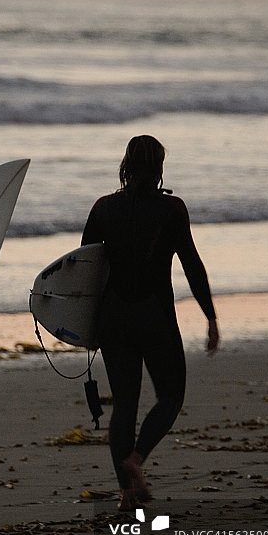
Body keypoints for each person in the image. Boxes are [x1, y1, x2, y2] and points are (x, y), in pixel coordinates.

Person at [81, 135, 219, 511]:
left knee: (125, 403)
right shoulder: (172, 210)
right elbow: (191, 263)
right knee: (171, 397)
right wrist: (210, 316)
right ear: (159, 167)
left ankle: (127, 493)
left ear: (125, 164)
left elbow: (84, 272)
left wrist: (85, 327)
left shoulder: (103, 208)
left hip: (113, 316)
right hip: (154, 314)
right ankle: (136, 459)